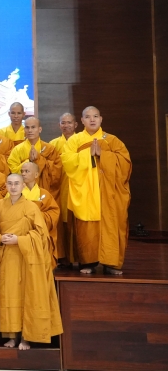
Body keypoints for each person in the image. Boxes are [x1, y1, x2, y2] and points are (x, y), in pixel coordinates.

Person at [0, 174, 63, 350]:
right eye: (10, 183)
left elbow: (42, 236)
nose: (13, 186)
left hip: (27, 258)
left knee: (27, 296)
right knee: (9, 296)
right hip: (7, 257)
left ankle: (26, 337)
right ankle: (11, 336)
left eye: (17, 183)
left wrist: (19, 240)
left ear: (23, 185)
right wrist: (0, 237)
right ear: (6, 186)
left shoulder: (31, 207)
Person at [61, 106, 132, 275]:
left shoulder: (112, 140)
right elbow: (67, 161)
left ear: (101, 119)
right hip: (85, 191)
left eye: (95, 116)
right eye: (88, 117)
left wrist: (103, 154)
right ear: (82, 120)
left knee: (112, 225)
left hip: (109, 192)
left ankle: (111, 263)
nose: (92, 119)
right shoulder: (75, 140)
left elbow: (126, 164)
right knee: (86, 227)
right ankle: (88, 262)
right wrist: (87, 155)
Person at [7, 117, 62, 202]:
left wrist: (39, 159)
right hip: (23, 192)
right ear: (24, 130)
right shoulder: (17, 149)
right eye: (27, 127)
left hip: (44, 191)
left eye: (33, 127)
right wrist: (29, 161)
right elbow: (13, 171)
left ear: (39, 129)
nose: (30, 130)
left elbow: (56, 172)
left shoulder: (49, 149)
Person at [50, 112, 78, 265]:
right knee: (60, 221)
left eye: (69, 122)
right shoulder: (54, 144)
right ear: (59, 125)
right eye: (63, 122)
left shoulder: (81, 142)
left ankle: (77, 257)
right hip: (59, 188)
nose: (66, 125)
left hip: (78, 188)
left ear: (75, 125)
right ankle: (60, 256)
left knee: (77, 223)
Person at [20, 162, 60, 253]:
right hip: (21, 234)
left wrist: (38, 216)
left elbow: (54, 212)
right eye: (21, 171)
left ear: (36, 174)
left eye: (27, 171)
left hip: (40, 232)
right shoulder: (15, 192)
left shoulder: (44, 194)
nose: (23, 174)